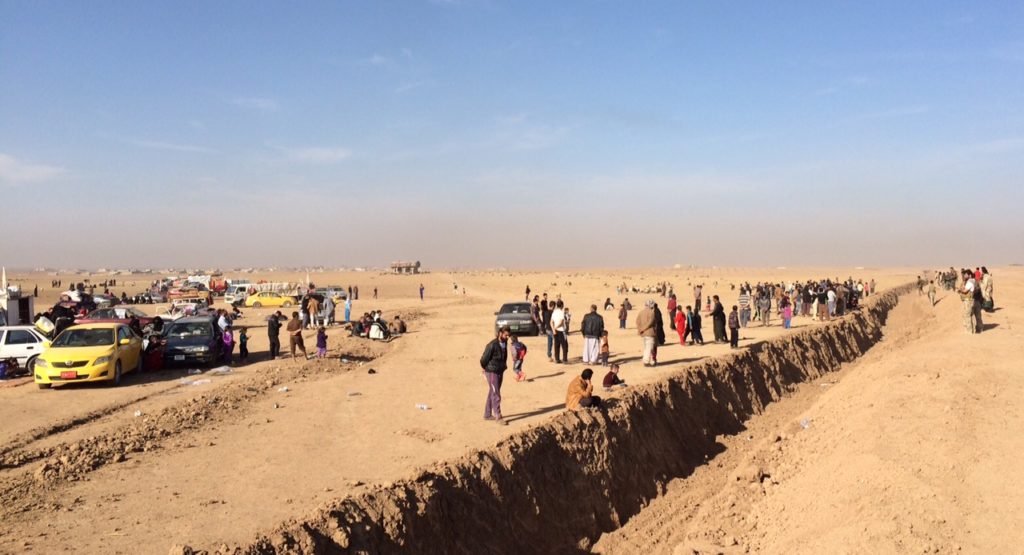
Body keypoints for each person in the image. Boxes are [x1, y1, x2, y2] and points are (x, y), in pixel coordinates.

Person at [480, 326, 510, 425]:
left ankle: (487, 414)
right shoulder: (492, 345)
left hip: (500, 371)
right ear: (500, 333)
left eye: (508, 335)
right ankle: (498, 416)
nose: (507, 337)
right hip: (492, 372)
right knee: (496, 393)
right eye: (506, 335)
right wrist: (486, 369)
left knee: (492, 392)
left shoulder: (504, 343)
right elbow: (483, 360)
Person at [636, 300, 657, 366]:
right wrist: (643, 329)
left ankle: (646, 360)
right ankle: (646, 361)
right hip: (650, 332)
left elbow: (637, 322)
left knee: (646, 347)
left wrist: (640, 329)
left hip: (643, 333)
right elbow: (650, 323)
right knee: (649, 348)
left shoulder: (641, 312)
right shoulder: (651, 313)